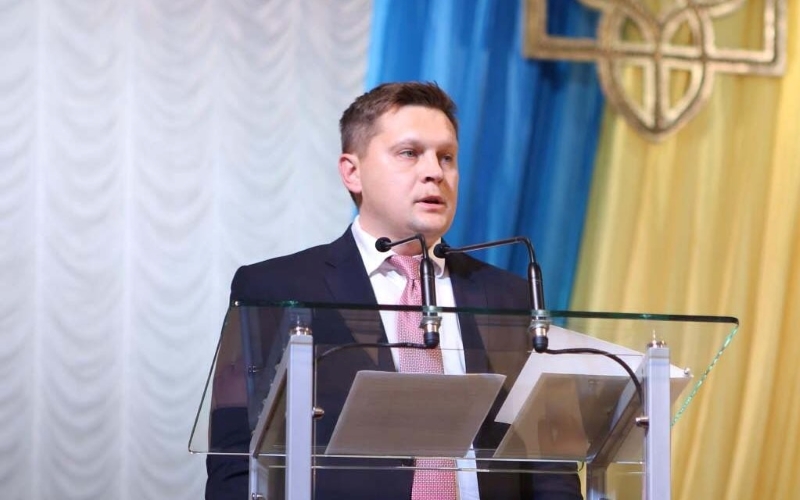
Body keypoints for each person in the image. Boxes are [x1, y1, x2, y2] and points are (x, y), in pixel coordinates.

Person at [206, 82, 583, 499]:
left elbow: (550, 465)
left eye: (446, 157)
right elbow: (236, 460)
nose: (434, 172)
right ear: (352, 172)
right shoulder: (276, 288)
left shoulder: (509, 297)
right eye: (409, 153)